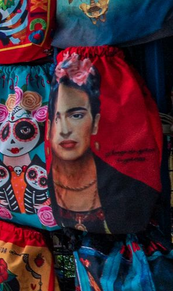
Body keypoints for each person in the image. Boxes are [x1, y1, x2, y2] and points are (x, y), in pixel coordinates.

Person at [48, 54, 158, 232]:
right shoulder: (42, 184)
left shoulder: (132, 185)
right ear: (49, 125)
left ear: (95, 122)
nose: (64, 130)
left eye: (76, 116)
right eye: (57, 118)